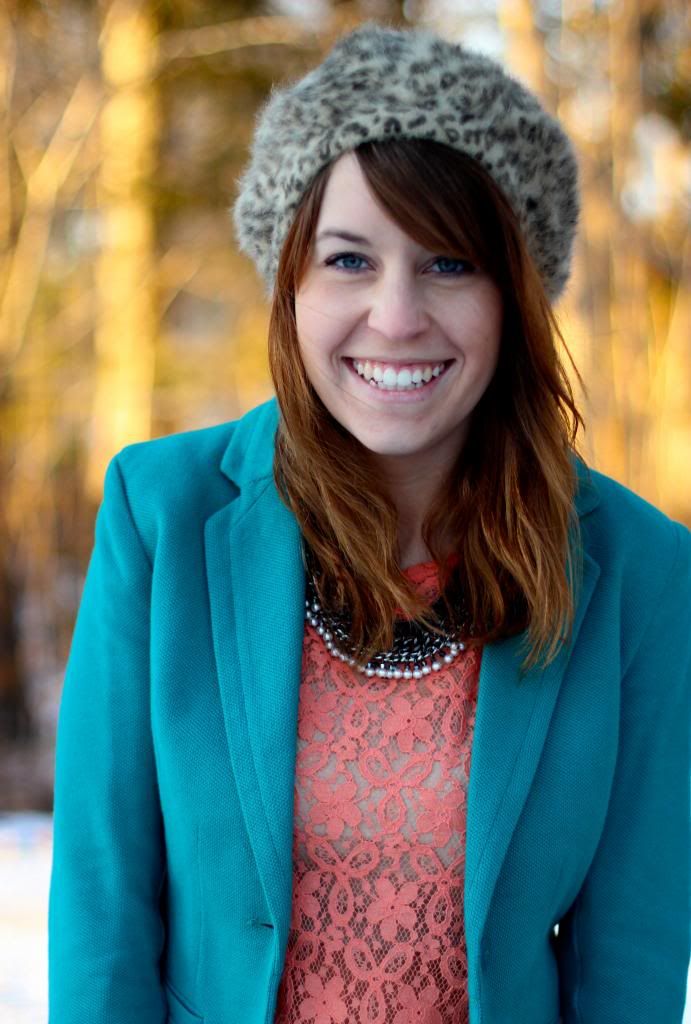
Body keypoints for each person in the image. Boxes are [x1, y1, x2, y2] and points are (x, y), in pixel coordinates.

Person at [48, 21, 690, 1024]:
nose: (395, 316)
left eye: (448, 264)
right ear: (289, 283)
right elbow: (103, 912)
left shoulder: (641, 568)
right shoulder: (161, 513)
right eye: (349, 260)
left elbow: (632, 965)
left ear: (513, 295)